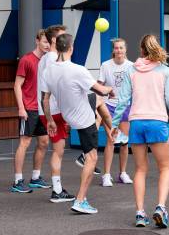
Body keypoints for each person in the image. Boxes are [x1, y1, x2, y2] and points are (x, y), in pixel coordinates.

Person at [111, 34, 169, 228]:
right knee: (165, 168)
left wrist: (115, 124)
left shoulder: (131, 70)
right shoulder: (165, 71)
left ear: (141, 50)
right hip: (157, 122)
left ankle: (140, 213)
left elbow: (122, 100)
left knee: (140, 169)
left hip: (136, 124)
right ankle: (160, 207)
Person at [43, 33, 114, 214]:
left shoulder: (48, 70)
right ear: (71, 49)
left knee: (98, 102)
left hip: (68, 115)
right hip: (83, 119)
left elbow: (45, 99)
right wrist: (111, 90)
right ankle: (80, 200)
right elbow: (101, 88)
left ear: (57, 48)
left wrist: (50, 120)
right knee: (92, 158)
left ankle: (112, 130)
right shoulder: (77, 69)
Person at [37, 24, 76, 203]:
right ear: (54, 40)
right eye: (62, 36)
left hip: (50, 111)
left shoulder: (47, 57)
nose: (65, 38)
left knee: (58, 150)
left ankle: (57, 189)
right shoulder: (52, 57)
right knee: (58, 151)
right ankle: (57, 190)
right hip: (53, 111)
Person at [11, 30, 51, 193]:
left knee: (44, 142)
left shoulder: (49, 62)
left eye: (50, 42)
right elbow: (17, 85)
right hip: (29, 108)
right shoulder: (26, 60)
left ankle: (35, 178)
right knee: (25, 143)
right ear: (37, 41)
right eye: (44, 42)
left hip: (43, 109)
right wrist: (21, 107)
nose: (47, 45)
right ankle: (18, 181)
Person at [98, 38, 134, 187]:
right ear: (113, 50)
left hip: (125, 107)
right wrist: (99, 105)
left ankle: (123, 173)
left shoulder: (132, 66)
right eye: (116, 48)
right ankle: (106, 175)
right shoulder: (106, 65)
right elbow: (99, 86)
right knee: (111, 140)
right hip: (110, 107)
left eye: (121, 48)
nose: (119, 51)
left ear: (125, 50)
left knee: (124, 143)